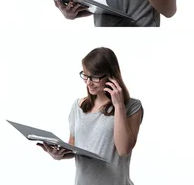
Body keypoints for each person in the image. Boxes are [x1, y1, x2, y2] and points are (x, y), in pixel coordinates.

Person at [37, 47, 143, 184]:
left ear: (111, 76)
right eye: (85, 75)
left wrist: (119, 105)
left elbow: (123, 150)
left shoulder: (131, 107)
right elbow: (74, 147)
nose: (88, 82)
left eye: (94, 77)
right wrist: (59, 155)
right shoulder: (78, 106)